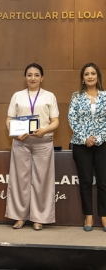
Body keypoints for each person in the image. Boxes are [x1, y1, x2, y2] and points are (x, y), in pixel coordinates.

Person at [5, 63, 59, 231]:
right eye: (29, 75)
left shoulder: (49, 96)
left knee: (42, 181)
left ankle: (39, 218)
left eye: (36, 75)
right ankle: (20, 217)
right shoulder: (17, 96)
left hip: (43, 143)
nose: (33, 78)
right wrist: (14, 133)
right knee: (20, 180)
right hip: (21, 142)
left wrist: (44, 130)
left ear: (42, 78)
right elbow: (8, 120)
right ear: (25, 77)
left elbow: (55, 122)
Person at [68, 63, 106, 232]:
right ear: (82, 78)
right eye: (86, 74)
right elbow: (72, 120)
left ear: (98, 76)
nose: (90, 76)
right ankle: (88, 216)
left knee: (104, 182)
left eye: (93, 73)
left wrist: (97, 138)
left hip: (103, 144)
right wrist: (85, 138)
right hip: (80, 144)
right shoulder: (76, 97)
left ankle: (104, 216)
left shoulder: (105, 96)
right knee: (85, 181)